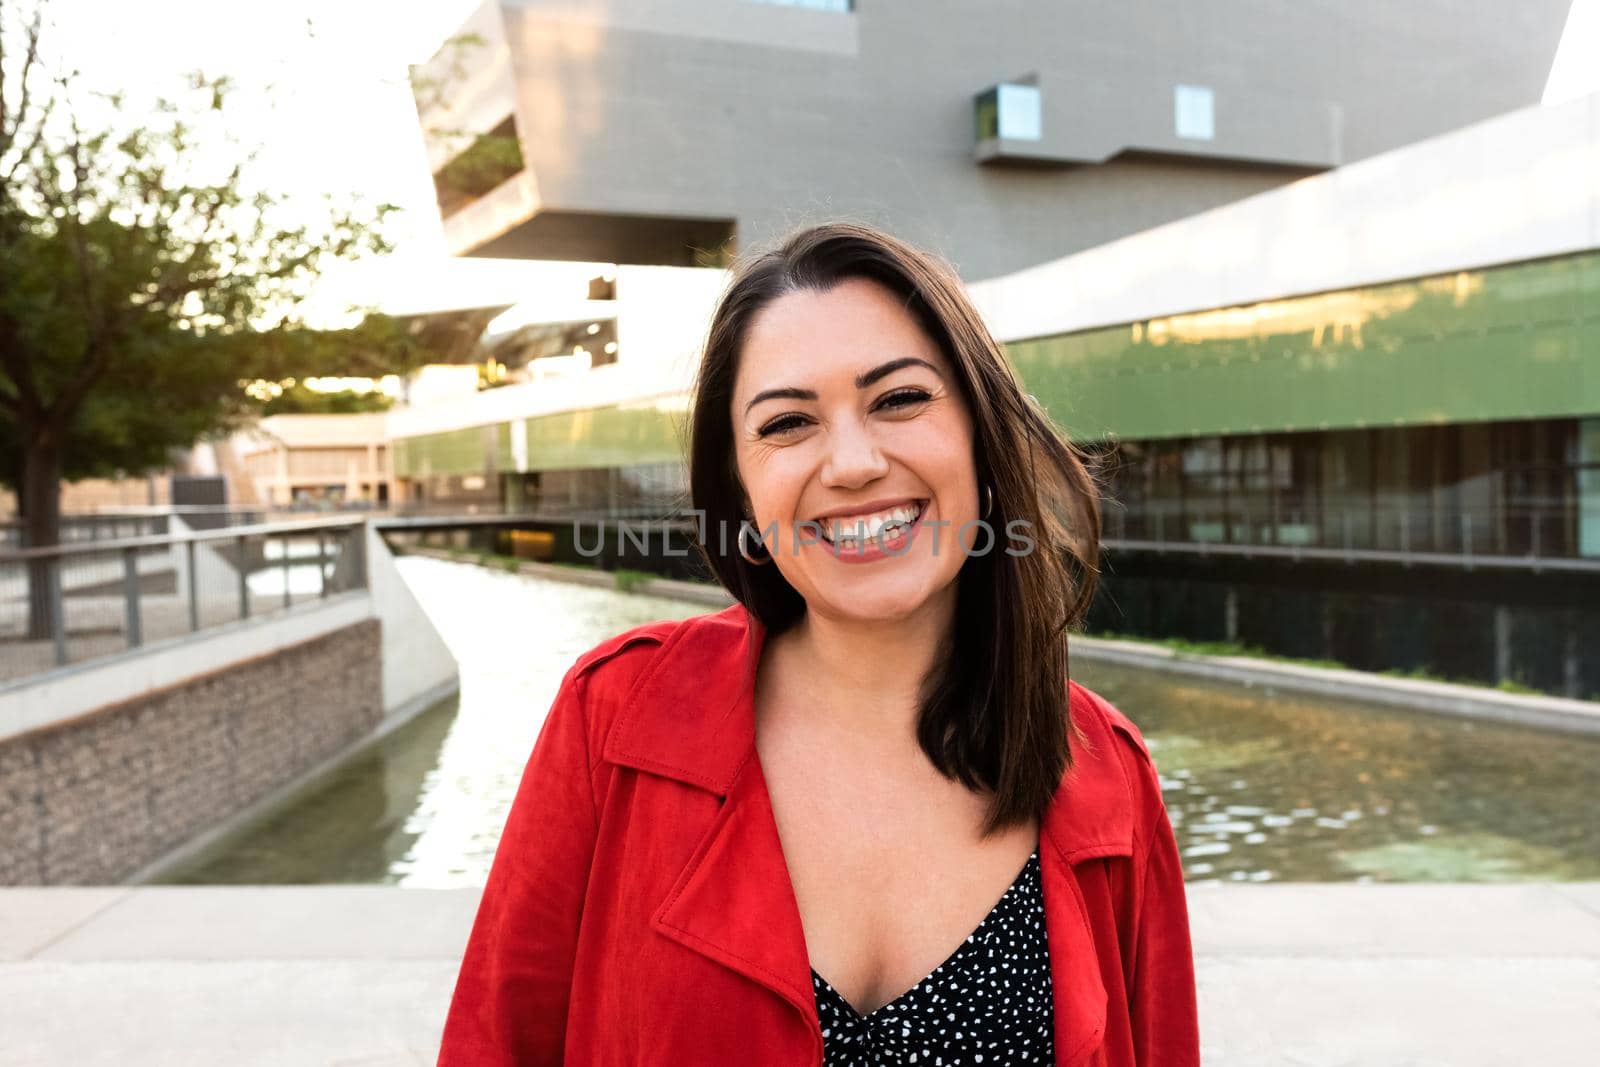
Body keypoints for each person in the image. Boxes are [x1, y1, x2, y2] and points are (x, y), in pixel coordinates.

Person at [436, 222, 1200, 1066]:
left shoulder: (1110, 777)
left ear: (981, 435)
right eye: (788, 422)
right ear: (741, 487)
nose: (852, 462)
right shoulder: (614, 718)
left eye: (900, 399)